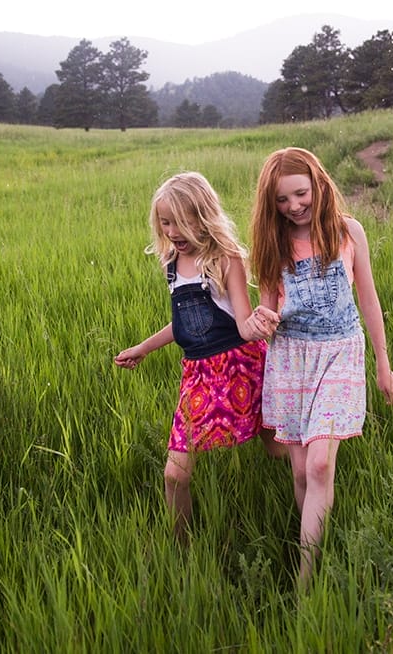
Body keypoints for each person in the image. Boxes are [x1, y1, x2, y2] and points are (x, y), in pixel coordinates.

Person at [243, 147, 393, 585]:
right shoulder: (272, 243)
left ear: (318, 185)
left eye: (300, 194)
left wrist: (384, 366)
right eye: (282, 200)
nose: (293, 206)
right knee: (299, 470)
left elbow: (368, 300)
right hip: (291, 358)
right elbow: (267, 308)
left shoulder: (348, 232)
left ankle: (306, 579)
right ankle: (313, 536)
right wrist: (265, 319)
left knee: (318, 465)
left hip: (339, 354)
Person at [113, 172, 269, 543]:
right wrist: (143, 348)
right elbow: (183, 322)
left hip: (240, 367)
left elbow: (244, 323)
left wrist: (267, 319)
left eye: (180, 223)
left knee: (279, 448)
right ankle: (180, 543)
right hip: (198, 376)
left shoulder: (225, 259)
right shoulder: (171, 265)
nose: (172, 232)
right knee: (175, 474)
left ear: (204, 217)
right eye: (165, 223)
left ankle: (317, 468)